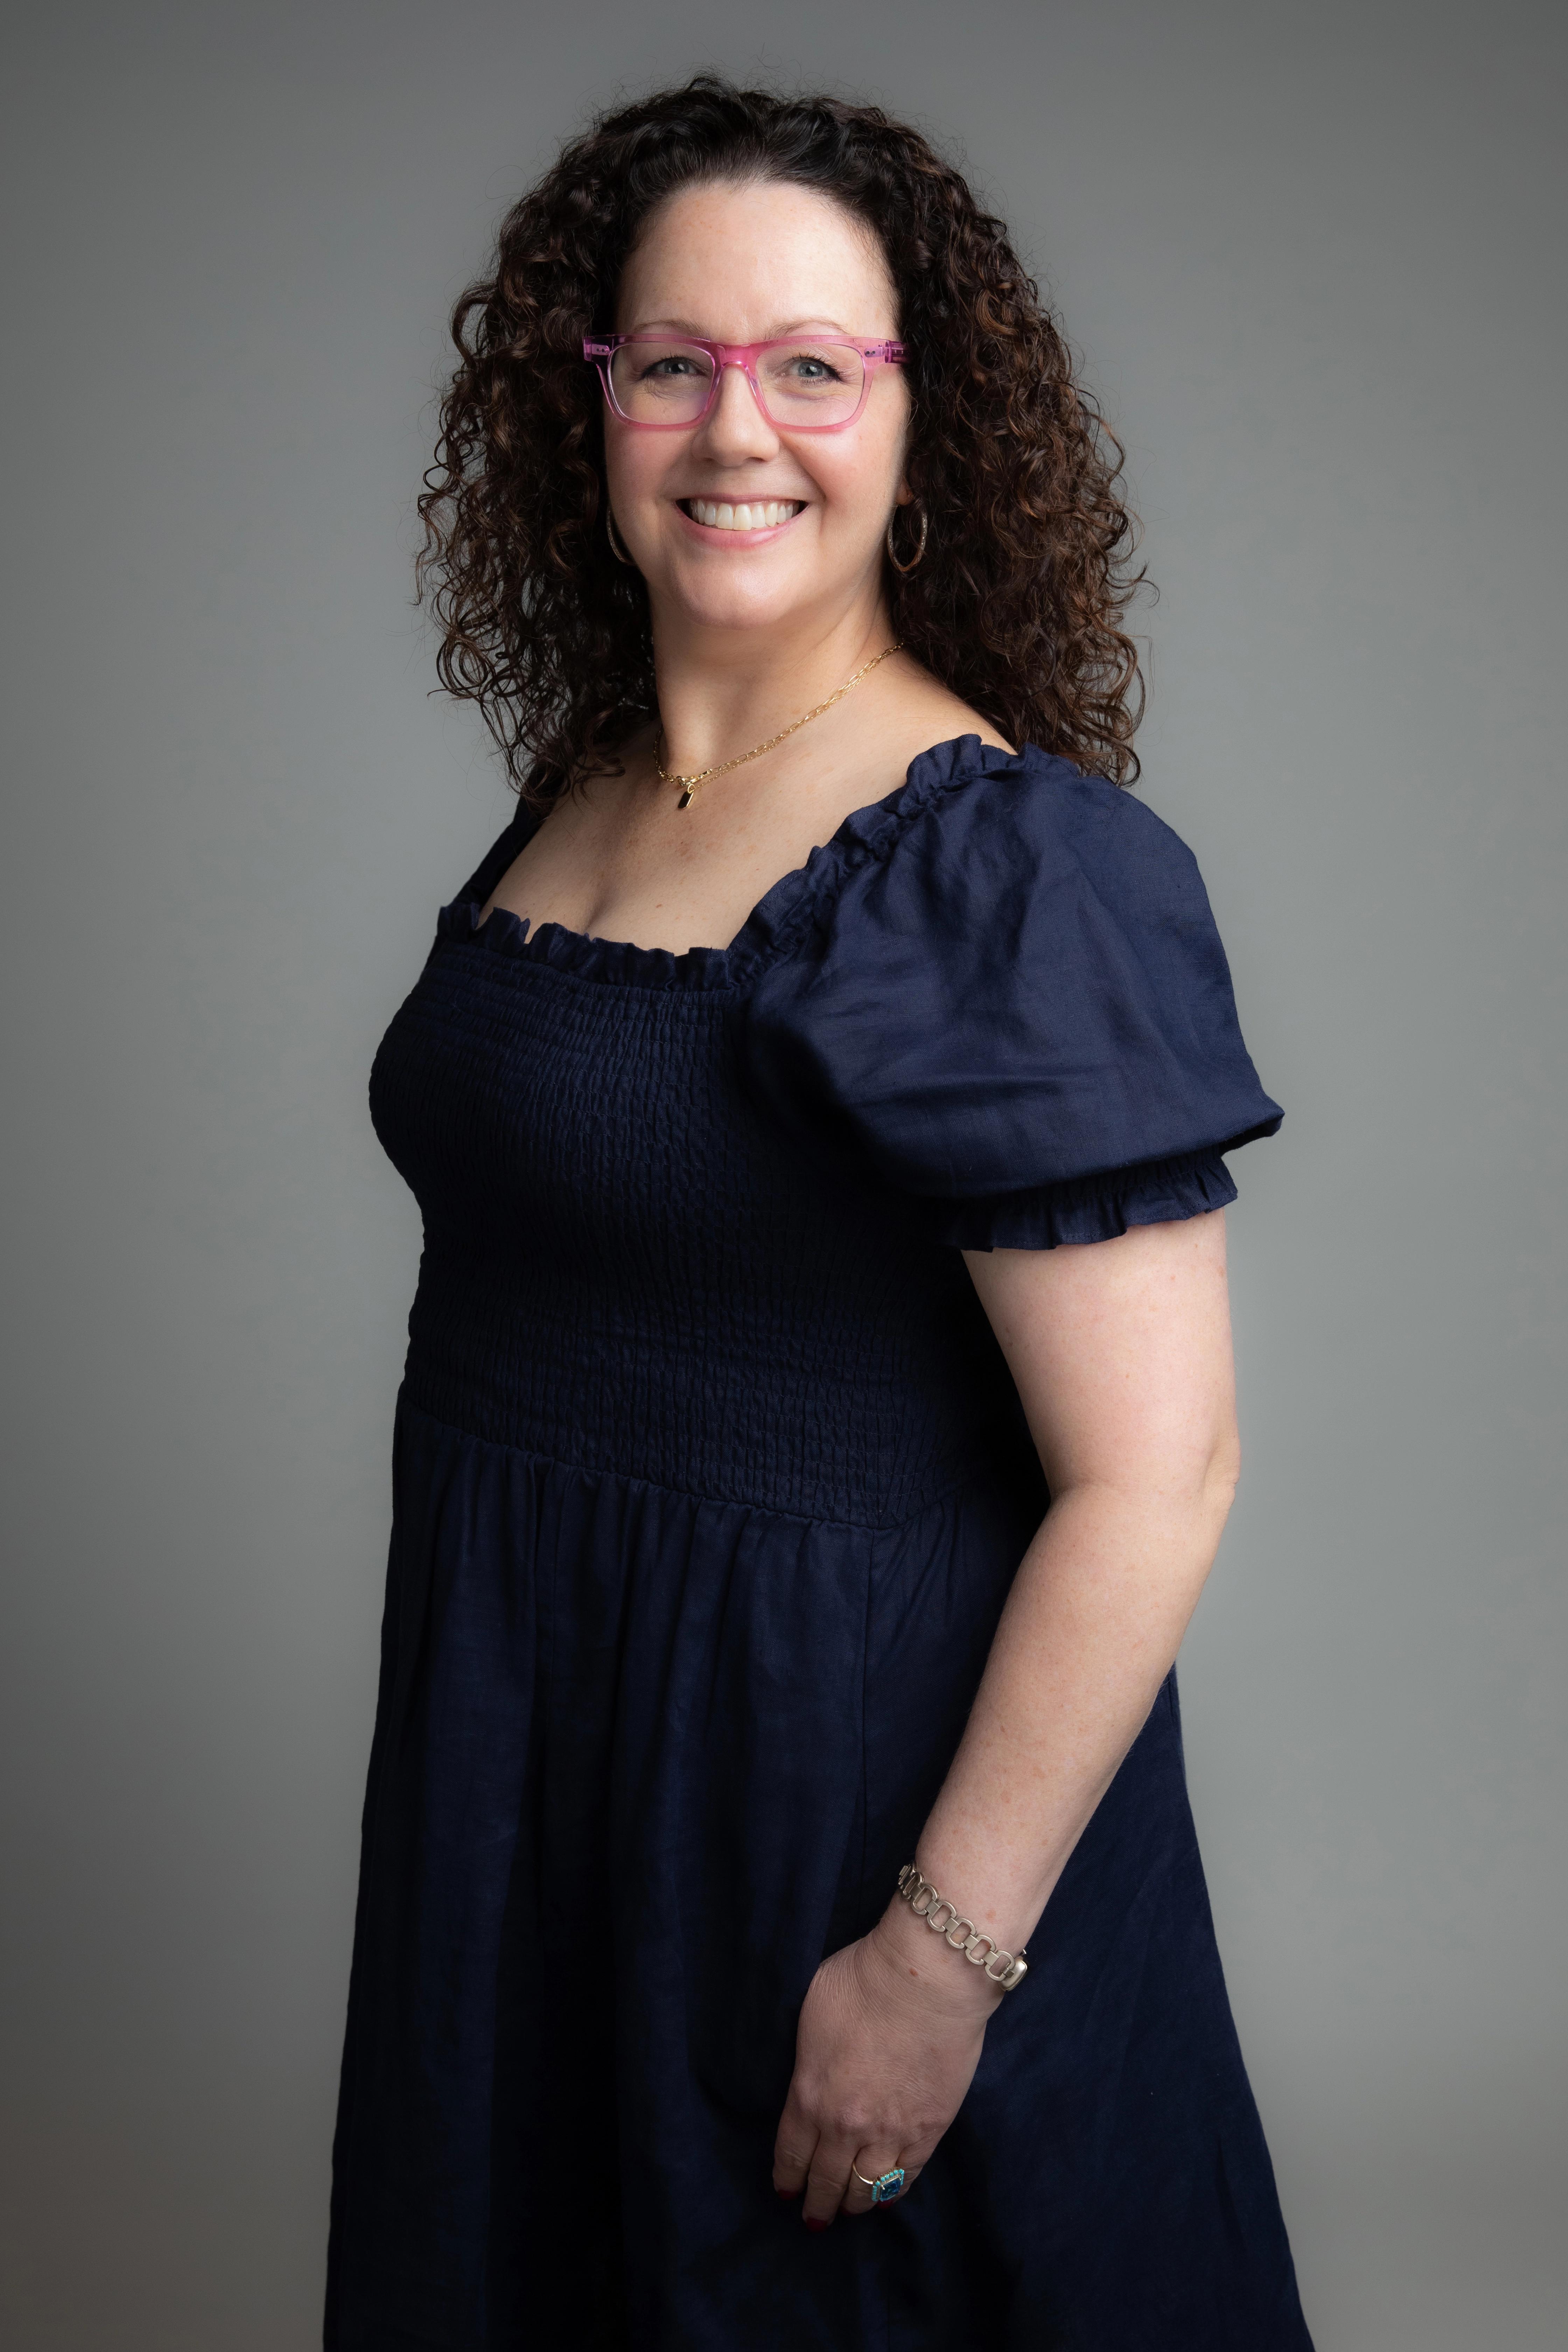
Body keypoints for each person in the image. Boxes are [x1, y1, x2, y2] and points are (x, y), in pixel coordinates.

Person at [324, 75, 1314, 2352]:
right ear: (581, 407)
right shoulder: (585, 793)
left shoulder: (1001, 867)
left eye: (810, 366)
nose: (729, 428)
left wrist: (933, 1966)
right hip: (532, 1783)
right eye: (669, 361)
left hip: (822, 1819)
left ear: (918, 417)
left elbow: (1160, 1476)